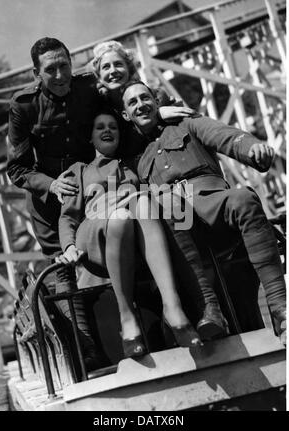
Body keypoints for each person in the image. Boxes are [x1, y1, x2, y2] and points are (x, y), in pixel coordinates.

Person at [121, 80, 286, 346]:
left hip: (214, 205)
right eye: (133, 102)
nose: (141, 104)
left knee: (243, 197)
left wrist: (252, 149)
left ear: (156, 101)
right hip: (177, 227)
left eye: (145, 97)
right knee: (167, 205)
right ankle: (210, 309)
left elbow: (226, 135)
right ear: (126, 115)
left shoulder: (187, 123)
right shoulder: (131, 156)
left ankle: (281, 310)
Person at [91, 40, 228, 340]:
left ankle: (209, 311)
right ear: (98, 76)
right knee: (144, 219)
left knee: (178, 216)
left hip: (165, 176)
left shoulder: (155, 97)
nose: (113, 71)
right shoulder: (101, 113)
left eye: (118, 64)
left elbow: (187, 133)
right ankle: (172, 317)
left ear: (130, 68)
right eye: (106, 67)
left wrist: (161, 112)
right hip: (130, 185)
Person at [56, 109, 203, 358]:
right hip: (94, 235)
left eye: (113, 126)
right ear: (90, 137)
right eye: (100, 127)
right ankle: (127, 315)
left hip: (133, 235)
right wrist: (68, 248)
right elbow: (67, 217)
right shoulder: (78, 171)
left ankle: (172, 307)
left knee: (140, 205)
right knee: (122, 214)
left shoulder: (133, 167)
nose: (107, 130)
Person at [6, 37, 104, 368]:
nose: (60, 75)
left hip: (94, 188)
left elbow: (126, 100)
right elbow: (17, 169)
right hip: (48, 202)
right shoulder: (24, 106)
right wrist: (50, 184)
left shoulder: (89, 88)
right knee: (64, 269)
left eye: (64, 65)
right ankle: (86, 349)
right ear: (37, 72)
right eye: (51, 69)